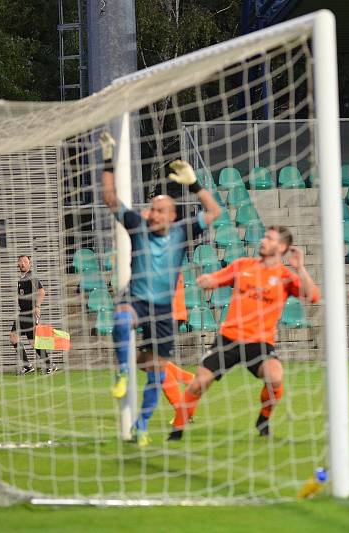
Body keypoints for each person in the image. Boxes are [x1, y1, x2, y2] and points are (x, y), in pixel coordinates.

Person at [99, 132, 221, 447]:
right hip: (136, 298)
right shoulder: (138, 226)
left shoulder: (183, 231)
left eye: (159, 210)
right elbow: (111, 199)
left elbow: (213, 212)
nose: (152, 214)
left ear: (172, 216)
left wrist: (195, 185)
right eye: (151, 209)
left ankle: (142, 424)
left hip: (163, 310)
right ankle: (123, 373)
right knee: (122, 319)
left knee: (156, 375)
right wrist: (108, 160)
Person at [168, 226, 320, 441]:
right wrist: (208, 281)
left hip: (259, 343)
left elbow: (313, 296)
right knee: (199, 382)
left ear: (282, 246)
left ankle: (263, 420)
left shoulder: (286, 277)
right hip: (229, 338)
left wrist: (301, 268)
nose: (263, 241)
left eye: (269, 238)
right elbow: (216, 279)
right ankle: (176, 431)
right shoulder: (243, 266)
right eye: (264, 236)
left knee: (275, 378)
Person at [9, 255, 57, 375]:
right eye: (21, 261)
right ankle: (28, 366)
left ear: (29, 264)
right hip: (22, 313)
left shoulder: (31, 277)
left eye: (25, 261)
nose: (23, 263)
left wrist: (37, 306)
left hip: (30, 312)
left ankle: (49, 365)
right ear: (18, 264)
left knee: (34, 342)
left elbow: (41, 292)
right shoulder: (22, 278)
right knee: (13, 337)